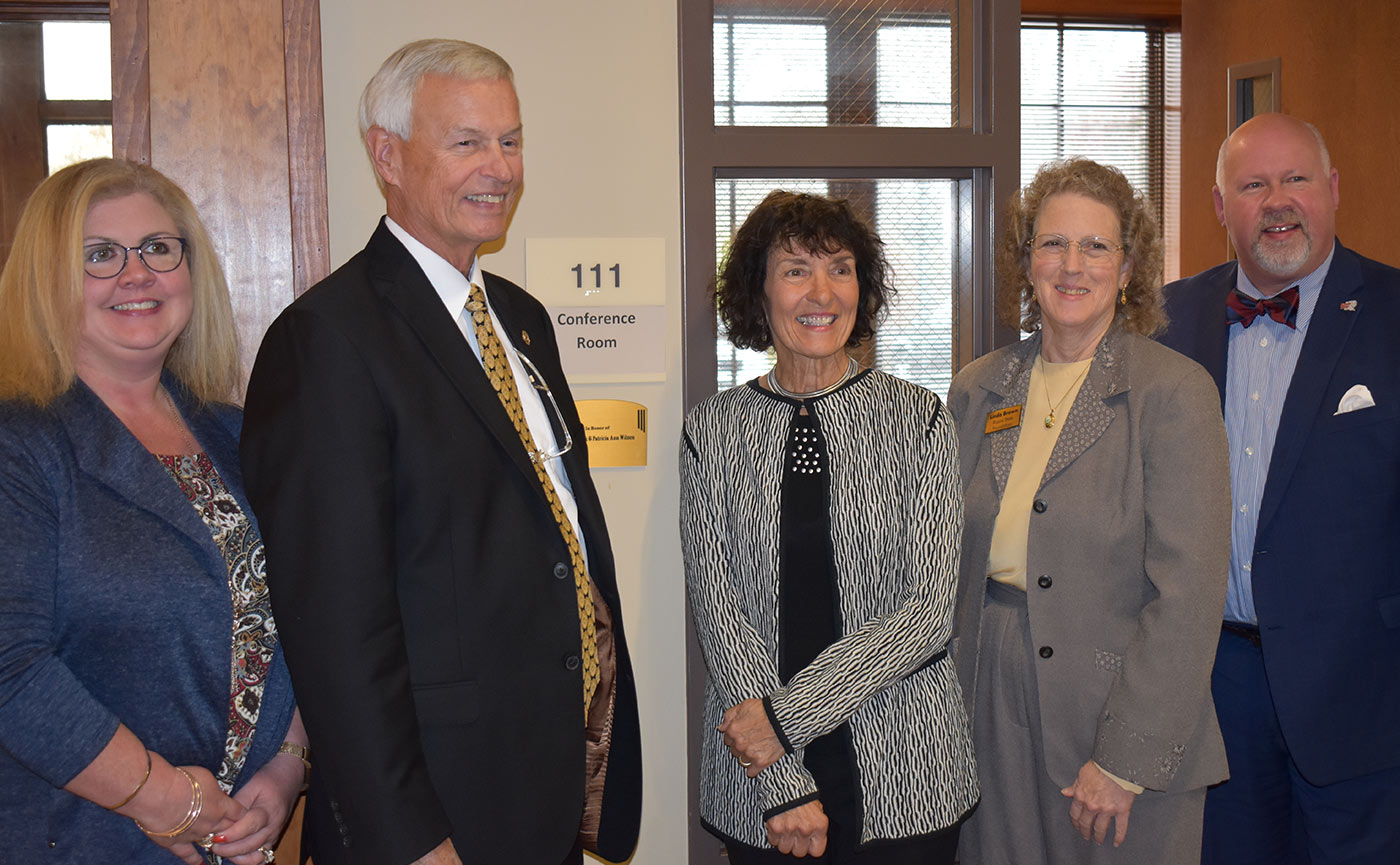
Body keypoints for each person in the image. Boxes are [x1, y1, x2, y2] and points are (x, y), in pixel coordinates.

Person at [238, 39, 641, 865]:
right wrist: (411, 839)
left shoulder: (522, 320)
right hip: (436, 813)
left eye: (511, 140)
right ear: (387, 154)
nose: (499, 167)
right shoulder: (327, 341)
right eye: (467, 142)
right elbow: (335, 630)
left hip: (542, 783)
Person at [0, 158, 307, 865]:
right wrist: (166, 799)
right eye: (99, 255)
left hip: (240, 837)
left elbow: (307, 614)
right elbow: (11, 667)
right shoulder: (21, 442)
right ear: (48, 280)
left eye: (158, 249)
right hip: (76, 840)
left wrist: (288, 764)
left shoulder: (236, 434)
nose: (136, 275)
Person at [680, 190, 979, 864]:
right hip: (756, 779)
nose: (822, 291)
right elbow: (720, 616)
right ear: (759, 294)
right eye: (795, 270)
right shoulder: (712, 430)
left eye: (840, 268)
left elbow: (928, 614)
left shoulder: (920, 419)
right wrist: (782, 777)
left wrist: (787, 720)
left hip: (907, 774)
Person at [947, 158, 1231, 865]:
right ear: (1027, 262)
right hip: (990, 698)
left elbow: (1189, 591)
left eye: (1095, 246)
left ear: (1128, 268)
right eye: (1052, 244)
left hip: (1119, 710)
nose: (1072, 265)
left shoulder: (1172, 392)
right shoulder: (982, 386)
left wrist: (1125, 758)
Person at [1157, 113, 1400, 865]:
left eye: (1296, 179)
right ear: (1220, 206)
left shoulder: (1394, 311)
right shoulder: (1169, 319)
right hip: (1217, 688)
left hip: (1362, 688)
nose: (1279, 200)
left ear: (1331, 190)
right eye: (1253, 184)